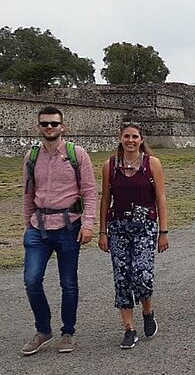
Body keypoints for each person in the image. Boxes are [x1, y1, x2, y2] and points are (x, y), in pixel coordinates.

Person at [20, 106, 98, 355]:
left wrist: (88, 225)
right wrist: (26, 226)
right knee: (31, 280)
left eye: (54, 123)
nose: (50, 127)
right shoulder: (31, 157)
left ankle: (68, 332)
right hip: (38, 227)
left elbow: (89, 192)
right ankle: (43, 330)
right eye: (45, 124)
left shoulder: (77, 154)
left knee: (68, 282)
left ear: (63, 126)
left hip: (68, 225)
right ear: (39, 127)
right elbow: (27, 194)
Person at [98, 123, 169, 348]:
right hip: (118, 227)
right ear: (120, 138)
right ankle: (129, 328)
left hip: (145, 227)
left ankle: (148, 310)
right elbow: (105, 199)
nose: (130, 140)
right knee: (122, 278)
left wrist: (163, 232)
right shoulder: (110, 165)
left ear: (141, 139)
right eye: (126, 136)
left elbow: (161, 198)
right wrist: (103, 231)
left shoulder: (152, 164)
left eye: (135, 136)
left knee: (142, 275)